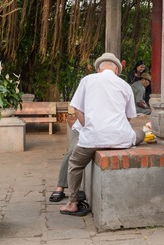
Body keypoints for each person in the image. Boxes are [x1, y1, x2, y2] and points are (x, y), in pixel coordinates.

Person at [59, 52, 145, 216]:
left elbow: (77, 109)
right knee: (140, 133)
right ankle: (131, 137)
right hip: (121, 139)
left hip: (91, 139)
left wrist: (88, 127)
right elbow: (129, 117)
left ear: (98, 68)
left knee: (75, 165)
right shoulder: (125, 85)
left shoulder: (87, 80)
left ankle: (72, 202)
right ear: (116, 70)